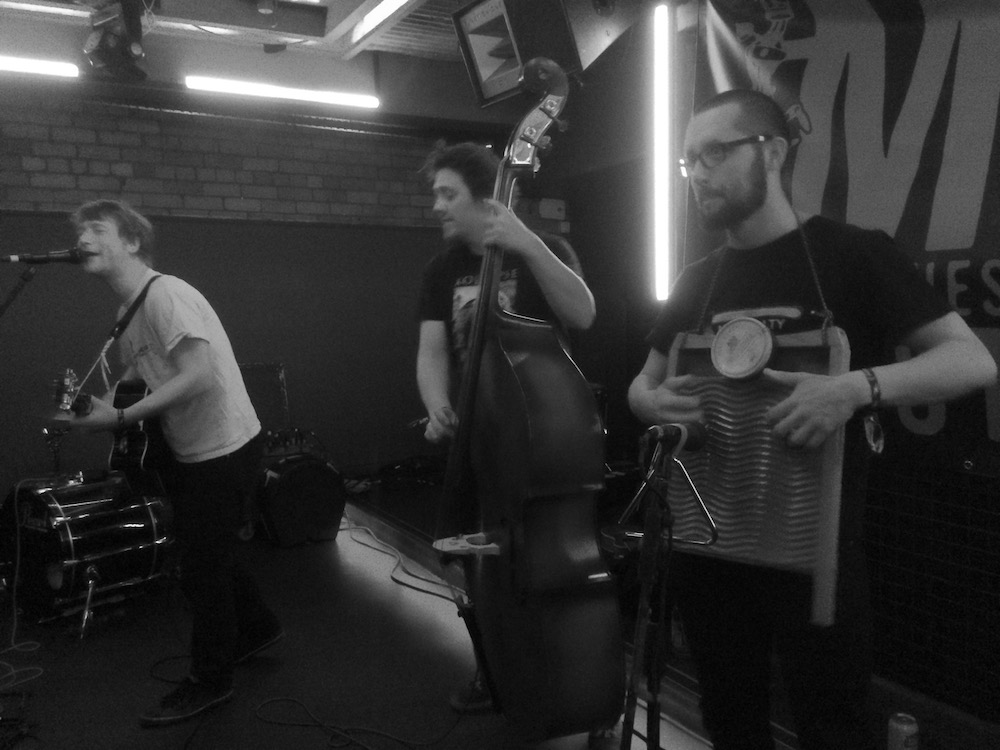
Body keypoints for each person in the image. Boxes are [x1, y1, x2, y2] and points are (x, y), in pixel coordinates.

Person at [628, 89, 997, 750]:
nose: (697, 173)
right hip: (709, 545)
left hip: (814, 550)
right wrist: (649, 403)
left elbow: (972, 361)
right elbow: (642, 385)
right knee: (730, 722)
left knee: (833, 728)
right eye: (688, 161)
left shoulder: (851, 256)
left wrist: (854, 388)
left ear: (771, 152)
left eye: (715, 153)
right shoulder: (697, 279)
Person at [415, 141, 620, 749]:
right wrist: (436, 404)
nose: (437, 206)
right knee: (477, 561)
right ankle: (496, 667)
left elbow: (583, 314)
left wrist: (527, 243)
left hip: (539, 440)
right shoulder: (442, 269)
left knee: (547, 560)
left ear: (486, 197)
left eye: (448, 194)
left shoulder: (543, 249)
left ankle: (573, 677)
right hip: (478, 437)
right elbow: (432, 352)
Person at [69, 199, 283, 727]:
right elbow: (137, 376)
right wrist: (101, 408)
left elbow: (198, 376)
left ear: (132, 241)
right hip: (192, 448)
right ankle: (259, 629)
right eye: (80, 231)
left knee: (200, 569)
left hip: (225, 448)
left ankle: (211, 681)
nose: (83, 240)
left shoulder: (167, 295)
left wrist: (122, 418)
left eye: (96, 229)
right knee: (209, 551)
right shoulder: (128, 312)